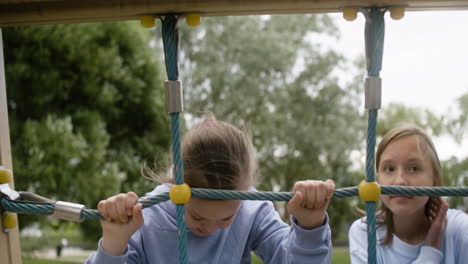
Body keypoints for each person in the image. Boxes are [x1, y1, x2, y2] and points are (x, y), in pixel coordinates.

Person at [85, 115, 336, 264]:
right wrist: (114, 243)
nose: (210, 227)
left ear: (246, 189)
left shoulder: (252, 210)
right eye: (197, 216)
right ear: (175, 184)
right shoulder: (147, 215)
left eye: (227, 217)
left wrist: (309, 227)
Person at [349, 125, 468, 263]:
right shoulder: (365, 231)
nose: (400, 181)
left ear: (434, 179)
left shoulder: (459, 228)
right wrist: (430, 252)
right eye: (389, 169)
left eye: (413, 168)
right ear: (378, 179)